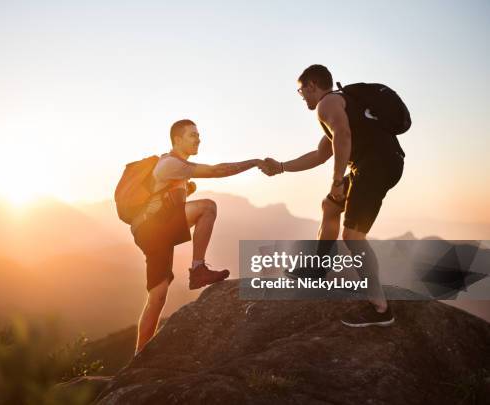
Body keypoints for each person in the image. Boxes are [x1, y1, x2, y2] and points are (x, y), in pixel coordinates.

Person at [261, 65, 405, 327]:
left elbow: (343, 136)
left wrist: (337, 181)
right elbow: (320, 154)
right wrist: (281, 167)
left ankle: (381, 309)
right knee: (330, 206)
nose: (302, 96)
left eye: (301, 90)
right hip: (381, 163)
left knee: (353, 236)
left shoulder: (326, 104)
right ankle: (317, 269)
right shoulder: (343, 104)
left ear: (312, 86)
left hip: (374, 166)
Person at [133, 119, 267, 354]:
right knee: (208, 207)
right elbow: (218, 170)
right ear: (177, 140)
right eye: (192, 135)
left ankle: (139, 355)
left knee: (158, 296)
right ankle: (198, 269)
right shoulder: (169, 164)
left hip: (153, 231)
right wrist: (254, 162)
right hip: (154, 227)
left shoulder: (176, 167)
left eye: (198, 135)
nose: (198, 139)